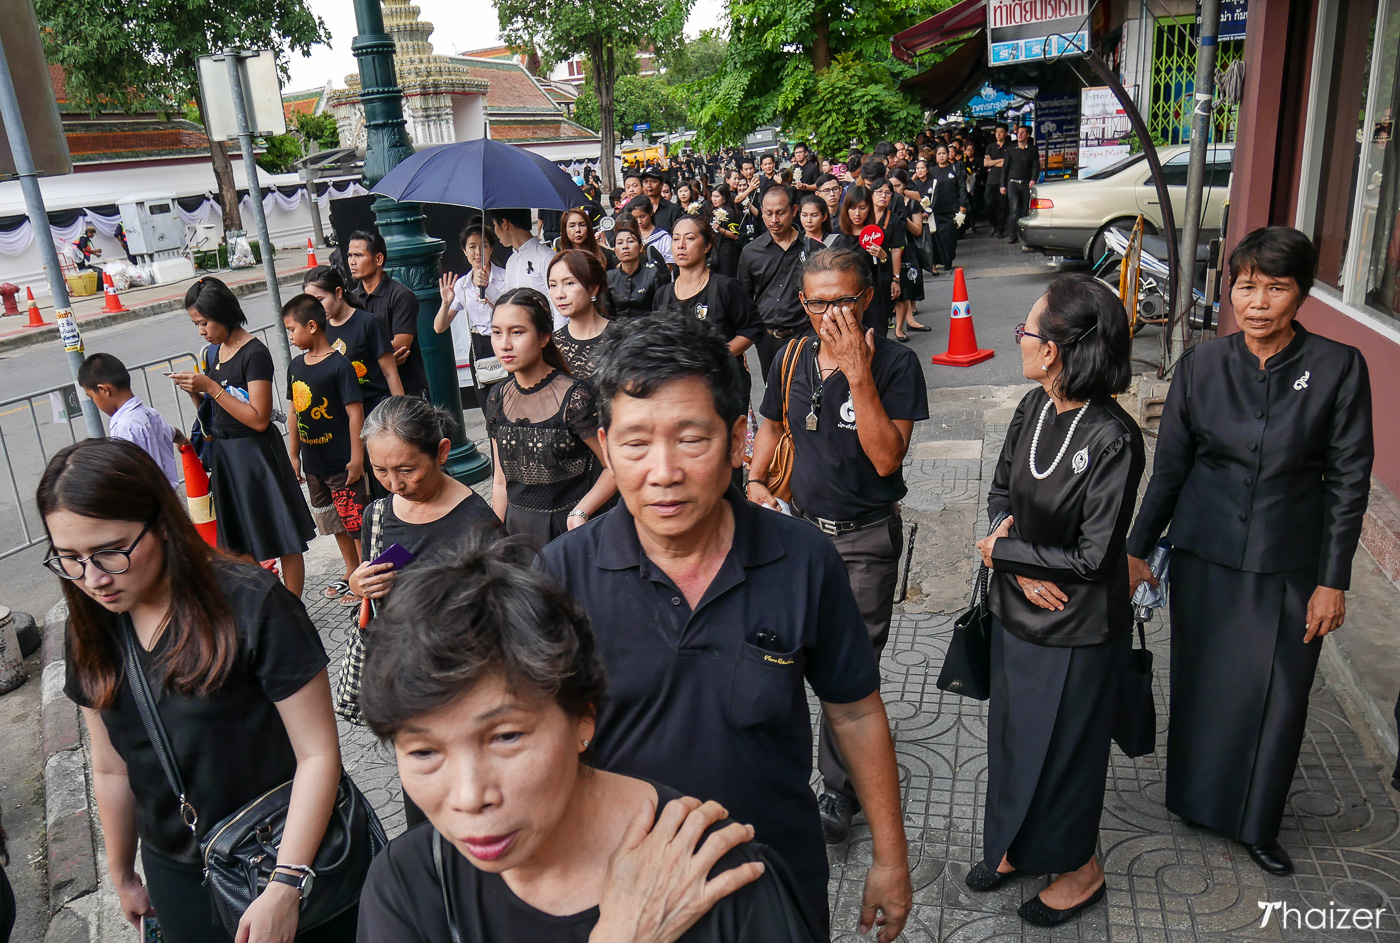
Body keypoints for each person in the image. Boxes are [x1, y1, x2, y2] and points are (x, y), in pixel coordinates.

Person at [538, 315, 912, 939]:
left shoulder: (803, 560)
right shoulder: (560, 575)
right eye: (634, 445)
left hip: (775, 881)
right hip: (624, 897)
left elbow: (855, 712)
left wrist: (891, 857)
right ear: (604, 447)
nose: (662, 472)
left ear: (739, 439)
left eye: (691, 439)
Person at [355, 537, 823, 943]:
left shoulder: (716, 875)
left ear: (583, 716)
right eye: (423, 751)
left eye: (506, 737)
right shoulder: (408, 886)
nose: (470, 796)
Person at [1125, 227, 1374, 875]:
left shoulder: (1339, 366)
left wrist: (1333, 579)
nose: (1258, 301)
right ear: (1228, 288)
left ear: (1301, 295)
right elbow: (1170, 468)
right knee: (1205, 685)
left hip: (1291, 564)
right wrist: (1136, 550)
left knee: (1281, 697)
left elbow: (1349, 481)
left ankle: (1257, 822)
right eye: (1246, 285)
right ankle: (1198, 800)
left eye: (1276, 286)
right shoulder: (1202, 366)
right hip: (1206, 556)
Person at [43, 438, 354, 943]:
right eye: (69, 559)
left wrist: (285, 885)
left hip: (279, 855)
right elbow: (110, 766)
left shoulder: (252, 603)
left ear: (162, 523)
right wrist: (123, 874)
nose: (93, 579)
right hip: (176, 871)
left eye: (110, 553)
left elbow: (318, 754)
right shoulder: (89, 628)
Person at [968, 275, 1144, 927]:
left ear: (1059, 349)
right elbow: (998, 498)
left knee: (1066, 752)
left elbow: (1096, 559)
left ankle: (1079, 869)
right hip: (1018, 610)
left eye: (1029, 330)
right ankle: (1017, 843)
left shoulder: (1114, 437)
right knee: (1015, 740)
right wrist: (1009, 564)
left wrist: (1005, 554)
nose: (1021, 338)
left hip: (1080, 628)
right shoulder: (1033, 407)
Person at [748, 246, 928, 832]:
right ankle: (778, 770)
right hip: (794, 531)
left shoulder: (896, 365)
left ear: (867, 299)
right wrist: (754, 478)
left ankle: (838, 788)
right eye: (819, 302)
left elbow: (885, 457)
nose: (831, 314)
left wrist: (857, 372)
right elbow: (772, 425)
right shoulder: (790, 357)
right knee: (780, 654)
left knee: (848, 673)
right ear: (802, 302)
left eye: (843, 301)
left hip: (864, 542)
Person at [170, 278, 314, 596]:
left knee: (283, 536)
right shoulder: (212, 353)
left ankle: (293, 606)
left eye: (204, 322)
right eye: (196, 324)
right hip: (226, 455)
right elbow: (213, 411)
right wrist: (197, 392)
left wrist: (209, 386)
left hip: (256, 456)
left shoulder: (254, 354)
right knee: (238, 540)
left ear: (223, 314)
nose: (201, 331)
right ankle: (265, 603)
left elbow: (259, 419)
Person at [485, 288, 615, 548]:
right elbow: (500, 481)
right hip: (518, 531)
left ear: (544, 337)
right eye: (497, 332)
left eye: (517, 332)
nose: (504, 344)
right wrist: (494, 536)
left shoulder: (575, 396)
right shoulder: (497, 397)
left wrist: (580, 513)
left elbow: (614, 466)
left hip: (568, 528)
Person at [282, 294, 368, 605]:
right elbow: (293, 412)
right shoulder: (295, 366)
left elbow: (355, 413)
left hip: (341, 463)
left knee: (355, 523)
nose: (290, 336)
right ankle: (350, 570)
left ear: (313, 326)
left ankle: (364, 581)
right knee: (333, 522)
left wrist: (357, 457)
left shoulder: (339, 366)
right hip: (313, 464)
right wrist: (293, 454)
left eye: (292, 330)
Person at [654, 215, 762, 366]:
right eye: (676, 238)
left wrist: (719, 354)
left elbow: (752, 328)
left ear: (707, 246)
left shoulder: (726, 288)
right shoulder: (663, 295)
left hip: (720, 381)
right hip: (677, 382)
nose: (681, 245)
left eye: (690, 238)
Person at [304, 267, 406, 419]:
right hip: (342, 417)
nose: (315, 309)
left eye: (320, 300)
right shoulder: (320, 329)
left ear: (338, 292)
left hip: (376, 414)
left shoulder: (368, 323)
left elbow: (390, 373)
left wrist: (401, 415)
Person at [738, 186, 818, 378]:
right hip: (767, 339)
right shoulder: (751, 252)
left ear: (794, 211)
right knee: (774, 393)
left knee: (805, 390)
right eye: (768, 213)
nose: (774, 220)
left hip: (805, 333)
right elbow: (743, 301)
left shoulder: (813, 249)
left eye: (780, 213)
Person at [346, 231, 429, 399]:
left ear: (378, 259)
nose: (352, 262)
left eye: (358, 255)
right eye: (349, 255)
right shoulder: (350, 299)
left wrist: (360, 359)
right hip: (369, 395)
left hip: (407, 392)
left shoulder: (401, 296)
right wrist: (379, 358)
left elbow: (400, 347)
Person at [78, 352, 179, 490]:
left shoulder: (125, 427)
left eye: (91, 397)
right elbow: (174, 433)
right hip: (167, 496)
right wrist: (185, 441)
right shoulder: (150, 413)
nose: (95, 403)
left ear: (104, 390)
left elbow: (128, 473)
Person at [434, 224, 507, 397]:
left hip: (504, 344)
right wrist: (445, 303)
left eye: (483, 246)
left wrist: (487, 289)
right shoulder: (462, 285)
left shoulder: (505, 277)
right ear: (464, 251)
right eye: (472, 247)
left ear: (491, 249)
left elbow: (509, 312)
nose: (478, 252)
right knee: (488, 407)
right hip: (479, 349)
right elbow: (439, 327)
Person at [549, 250, 616, 381]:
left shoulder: (620, 340)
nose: (559, 294)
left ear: (593, 288)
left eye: (569, 283)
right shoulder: (551, 346)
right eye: (553, 285)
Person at [490, 209, 561, 327]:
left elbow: (559, 306)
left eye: (494, 225)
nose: (495, 232)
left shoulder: (547, 258)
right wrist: (486, 287)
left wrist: (558, 341)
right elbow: (508, 303)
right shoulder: (511, 261)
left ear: (504, 224)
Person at [888, 171, 928, 341]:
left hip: (908, 248)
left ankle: (908, 321)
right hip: (890, 249)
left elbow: (918, 231)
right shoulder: (884, 204)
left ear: (905, 185)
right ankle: (901, 324)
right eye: (891, 186)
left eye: (897, 185)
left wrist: (903, 219)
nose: (894, 189)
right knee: (897, 287)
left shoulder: (912, 204)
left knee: (909, 284)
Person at [607, 219, 671, 318]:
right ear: (615, 250)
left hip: (648, 330)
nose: (625, 246)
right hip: (617, 331)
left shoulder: (652, 275)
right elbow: (606, 313)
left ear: (641, 247)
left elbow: (661, 310)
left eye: (630, 241)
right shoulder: (609, 277)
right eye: (620, 243)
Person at [927, 145, 970, 273]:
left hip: (952, 209)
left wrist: (963, 205)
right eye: (939, 154)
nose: (941, 156)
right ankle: (937, 261)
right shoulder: (932, 171)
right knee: (937, 237)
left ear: (948, 154)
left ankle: (948, 261)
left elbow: (962, 188)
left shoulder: (955, 169)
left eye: (944, 153)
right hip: (936, 210)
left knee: (950, 237)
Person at [1004, 126, 1039, 245]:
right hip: (1012, 183)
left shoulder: (1032, 150)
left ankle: (1023, 235)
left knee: (1025, 210)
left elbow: (1035, 166)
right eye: (1018, 133)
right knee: (1014, 209)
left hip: (1025, 183)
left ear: (1028, 135)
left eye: (1022, 133)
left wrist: (1033, 179)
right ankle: (1012, 234)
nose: (1019, 135)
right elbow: (1005, 168)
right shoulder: (1011, 149)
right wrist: (1002, 184)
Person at [627, 197, 675, 269]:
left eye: (642, 217)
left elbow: (670, 265)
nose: (639, 221)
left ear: (651, 213)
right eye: (635, 218)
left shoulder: (663, 237)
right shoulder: (631, 236)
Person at [708, 184, 742, 277]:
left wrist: (721, 229)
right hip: (715, 249)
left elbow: (735, 235)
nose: (714, 199)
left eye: (717, 197)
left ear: (724, 198)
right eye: (713, 196)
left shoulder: (730, 213)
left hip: (727, 250)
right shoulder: (712, 211)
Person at [983, 124, 1010, 238]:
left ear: (1006, 133)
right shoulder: (990, 147)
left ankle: (1000, 229)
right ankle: (993, 224)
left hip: (1003, 179)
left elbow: (1007, 163)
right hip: (991, 179)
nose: (998, 134)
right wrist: (1000, 161)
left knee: (1002, 205)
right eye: (997, 132)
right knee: (988, 203)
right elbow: (986, 163)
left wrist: (992, 162)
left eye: (1001, 132)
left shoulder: (1010, 147)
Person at [641, 166, 682, 232]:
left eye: (653, 181)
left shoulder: (673, 210)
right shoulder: (638, 209)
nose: (649, 185)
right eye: (645, 182)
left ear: (662, 184)